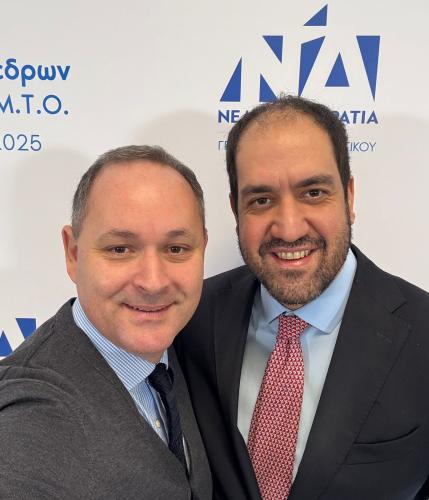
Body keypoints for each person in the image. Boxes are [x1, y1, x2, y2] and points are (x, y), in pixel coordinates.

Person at [175, 96, 429, 500]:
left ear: (349, 197)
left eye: (313, 192)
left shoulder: (423, 332)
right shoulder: (190, 317)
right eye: (261, 200)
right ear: (236, 210)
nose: (289, 229)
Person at [0, 145, 211, 499]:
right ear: (73, 253)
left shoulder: (181, 352)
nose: (153, 281)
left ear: (202, 247)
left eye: (176, 249)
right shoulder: (28, 421)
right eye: (120, 249)